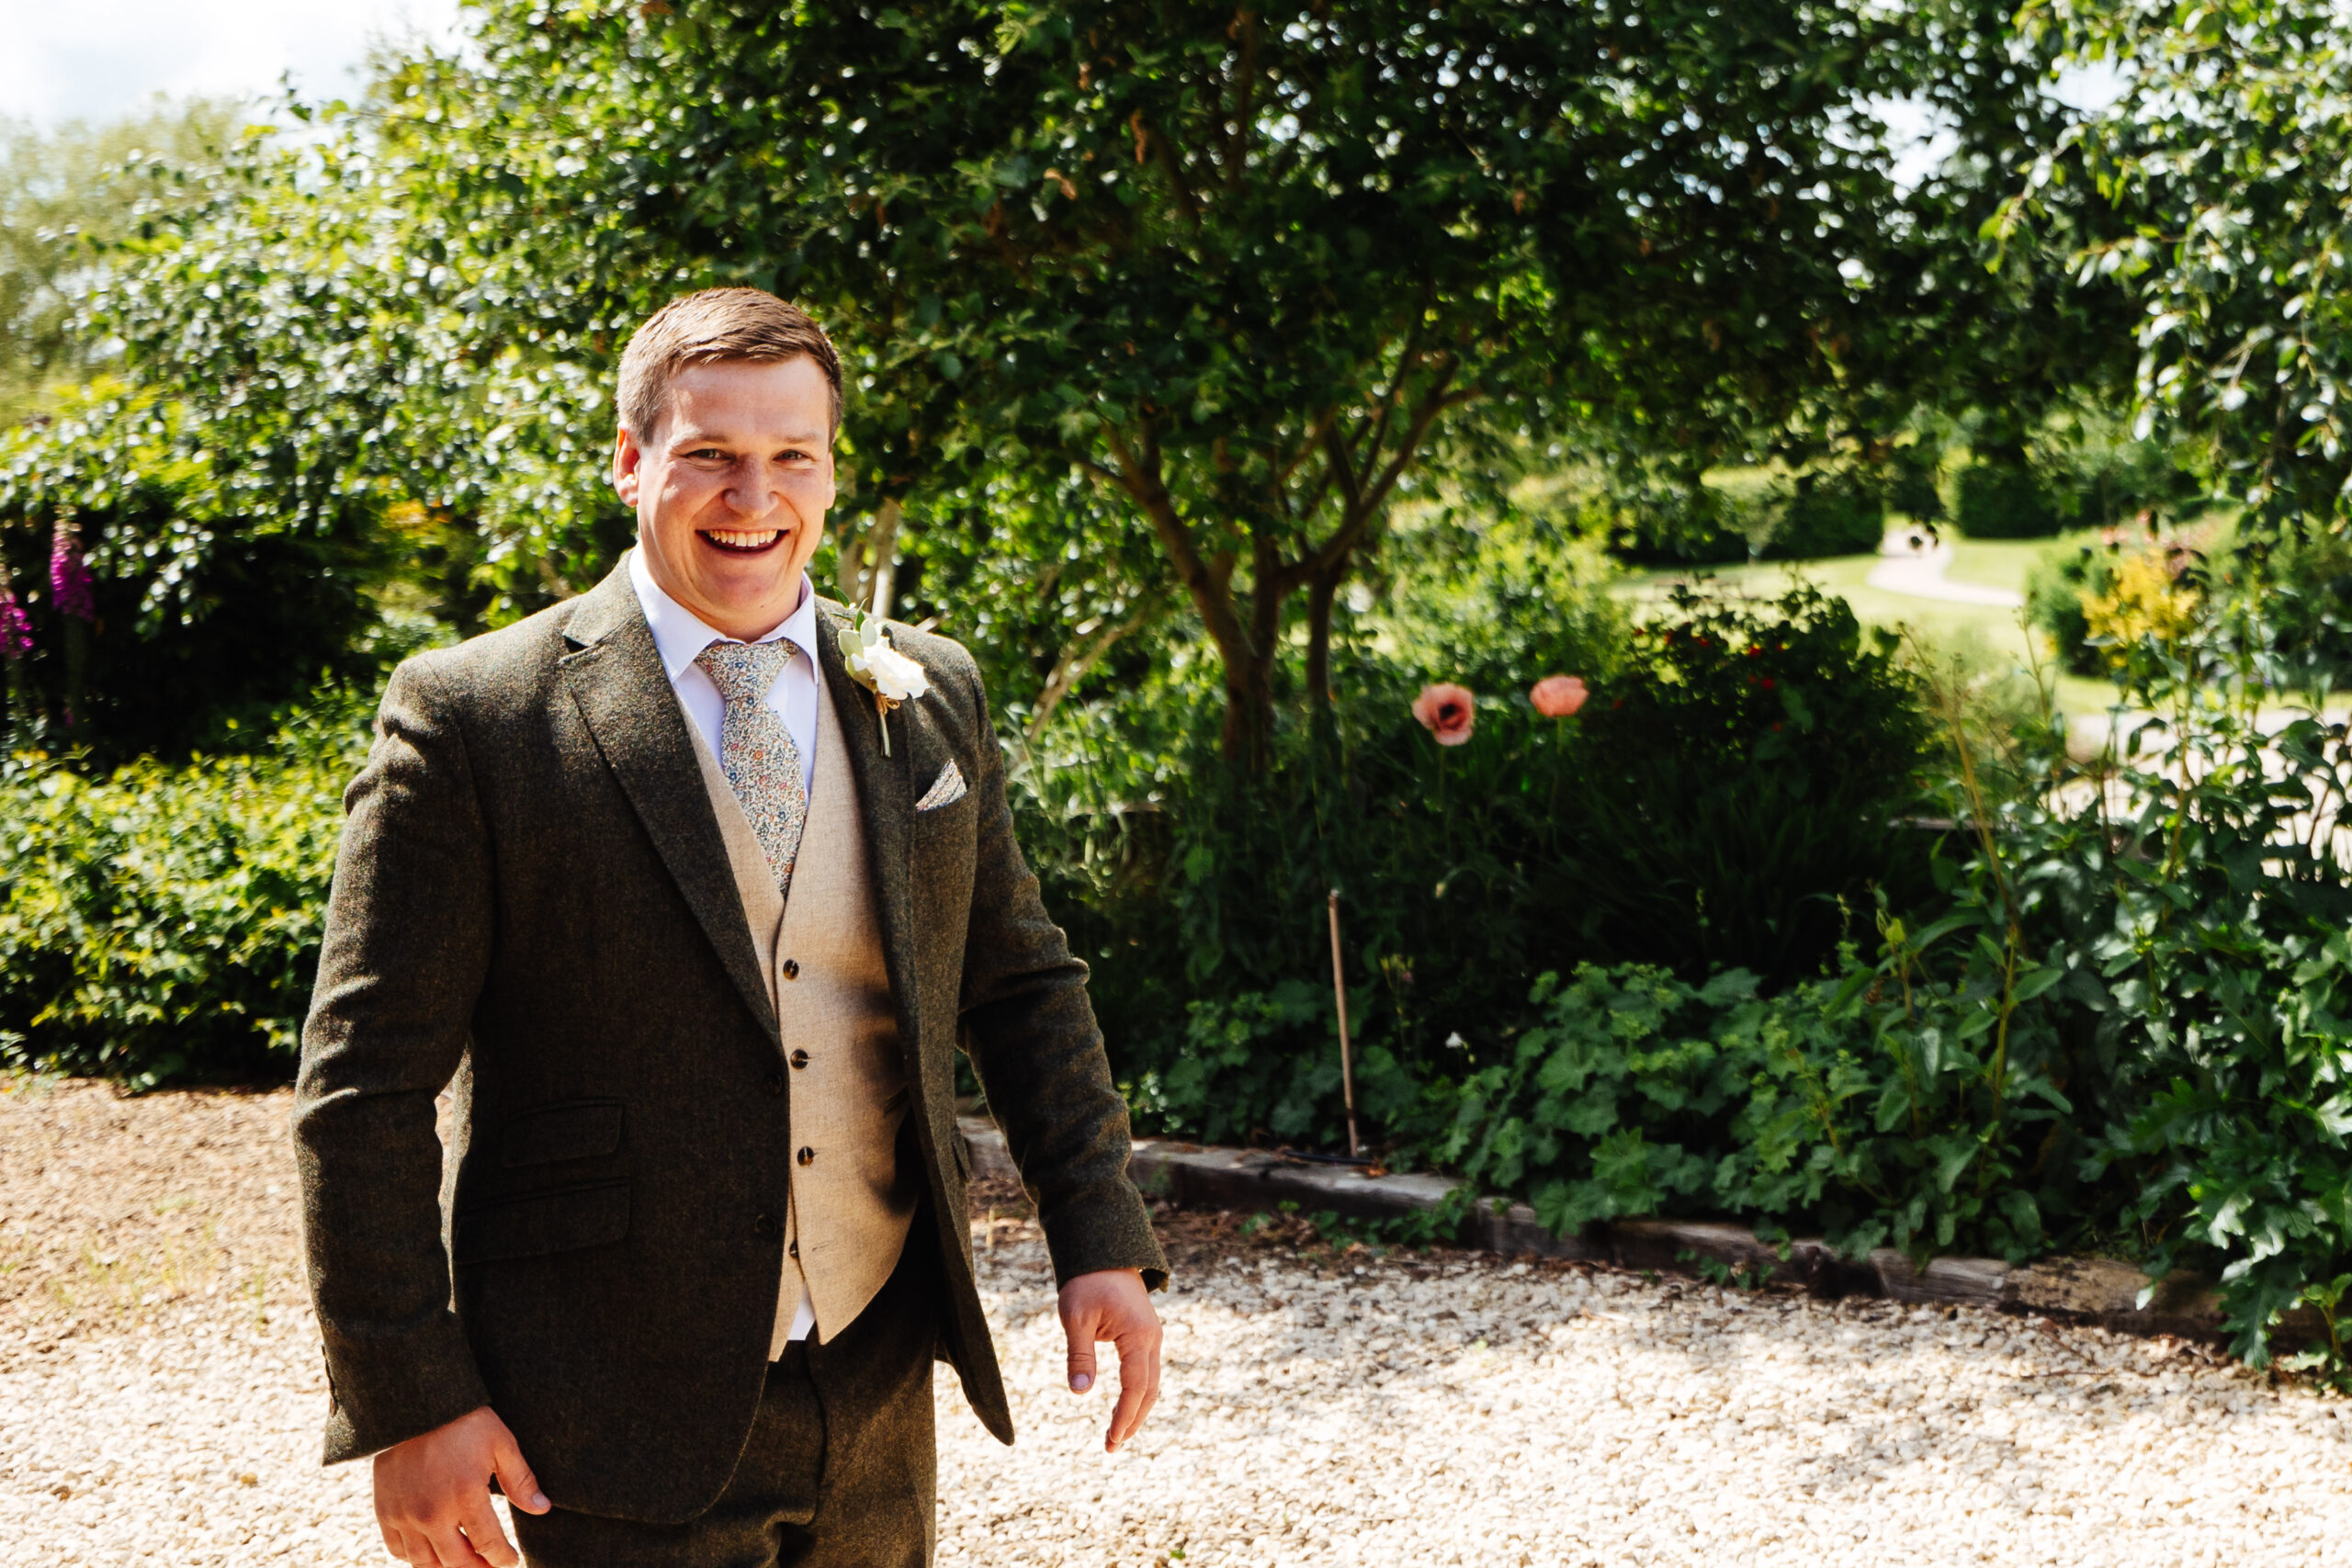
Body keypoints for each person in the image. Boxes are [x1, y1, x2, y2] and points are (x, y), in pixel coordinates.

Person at [293, 287, 1169, 1568]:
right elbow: (363, 1092)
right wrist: (410, 1394)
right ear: (632, 461)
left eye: (788, 458)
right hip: (602, 1396)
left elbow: (1022, 982)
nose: (752, 496)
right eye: (708, 454)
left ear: (827, 470)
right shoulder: (475, 718)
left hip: (877, 1376)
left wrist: (1100, 1232)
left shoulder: (928, 695)